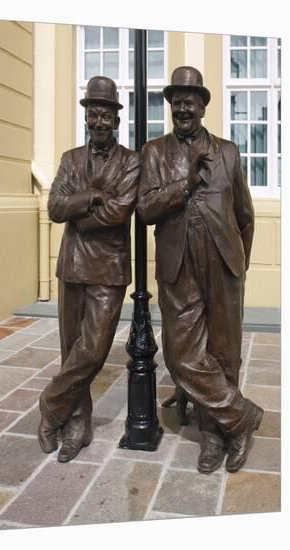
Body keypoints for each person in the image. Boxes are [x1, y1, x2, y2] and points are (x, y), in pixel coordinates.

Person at [138, 66, 263, 474]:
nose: (182, 107)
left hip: (224, 264)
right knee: (181, 354)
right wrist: (186, 184)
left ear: (204, 106)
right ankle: (243, 416)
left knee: (224, 352)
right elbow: (145, 209)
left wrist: (238, 261)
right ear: (170, 106)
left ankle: (215, 433)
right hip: (179, 266)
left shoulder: (228, 151)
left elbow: (245, 213)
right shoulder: (155, 152)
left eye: (190, 100)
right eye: (176, 100)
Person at [38, 76, 140, 463]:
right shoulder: (69, 159)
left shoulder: (132, 162)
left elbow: (119, 213)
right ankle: (76, 423)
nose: (98, 122)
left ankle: (50, 404)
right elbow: (54, 208)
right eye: (92, 114)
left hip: (108, 269)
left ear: (116, 120)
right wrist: (91, 196)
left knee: (93, 350)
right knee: (71, 351)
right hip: (72, 266)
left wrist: (78, 214)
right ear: (87, 118)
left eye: (105, 115)